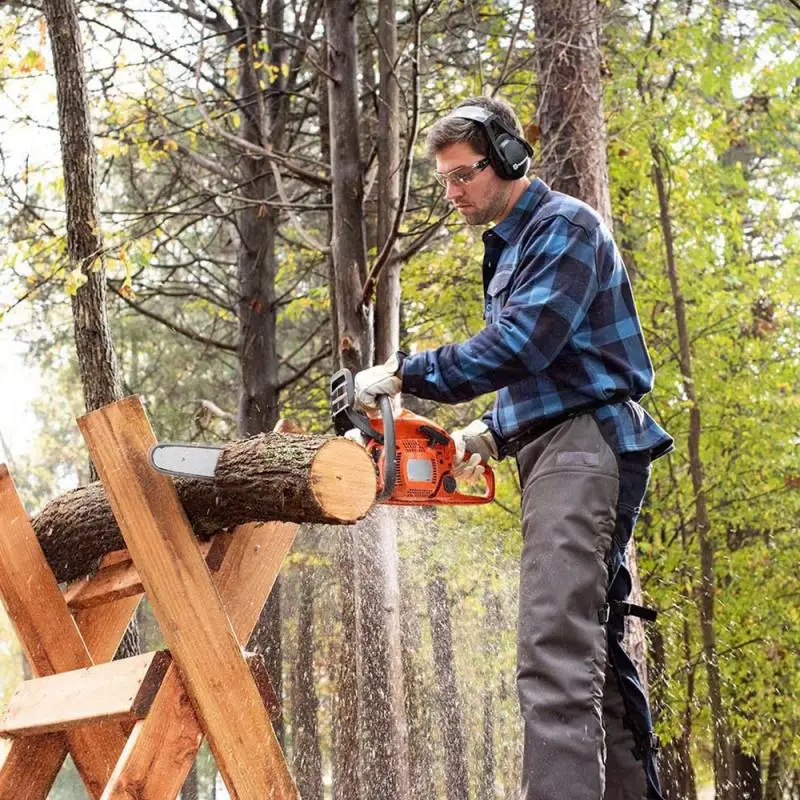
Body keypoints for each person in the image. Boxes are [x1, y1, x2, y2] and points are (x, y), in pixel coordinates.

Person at [352, 95, 673, 800]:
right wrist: (487, 433)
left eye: (464, 174)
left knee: (552, 654)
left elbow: (524, 344)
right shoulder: (512, 249)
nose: (453, 192)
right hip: (558, 447)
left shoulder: (564, 228)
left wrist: (411, 370)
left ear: (509, 160)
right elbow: (553, 366)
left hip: (583, 449)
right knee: (595, 639)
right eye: (444, 179)